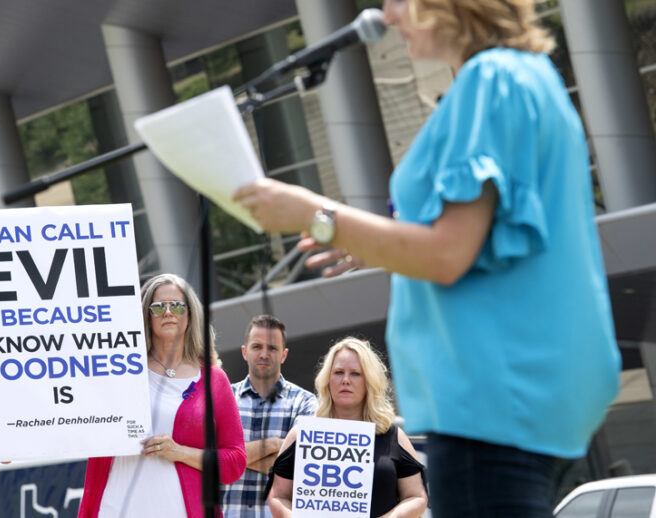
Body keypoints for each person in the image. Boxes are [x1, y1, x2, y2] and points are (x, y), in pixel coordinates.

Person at [233, 1, 622, 516]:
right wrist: (371, 243)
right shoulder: (527, 76)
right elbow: (479, 241)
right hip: (524, 389)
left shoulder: (489, 81)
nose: (387, 16)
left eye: (395, 0)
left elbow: (447, 254)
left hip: (492, 393)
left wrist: (315, 213)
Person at [78, 273, 246, 518]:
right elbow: (70, 420)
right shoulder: (116, 369)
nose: (168, 312)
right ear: (146, 316)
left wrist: (179, 451)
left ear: (190, 315)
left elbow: (235, 462)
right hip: (113, 508)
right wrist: (16, 442)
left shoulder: (213, 380)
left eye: (177, 305)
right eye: (158, 307)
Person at [267, 337, 427, 518]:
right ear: (327, 379)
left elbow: (416, 496)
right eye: (338, 372)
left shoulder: (393, 436)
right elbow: (279, 496)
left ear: (369, 382)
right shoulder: (302, 436)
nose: (345, 380)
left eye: (355, 374)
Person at [222, 315, 317, 518]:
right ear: (244, 352)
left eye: (272, 348)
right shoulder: (220, 399)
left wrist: (230, 456)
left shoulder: (306, 403)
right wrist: (275, 444)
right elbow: (210, 457)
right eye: (257, 347)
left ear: (283, 355)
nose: (264, 354)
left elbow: (301, 467)